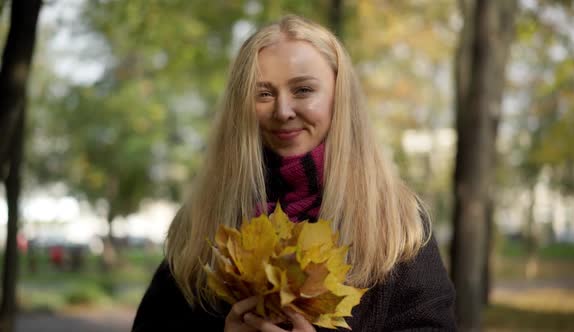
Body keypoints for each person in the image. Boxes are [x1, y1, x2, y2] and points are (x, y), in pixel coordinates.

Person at [132, 15, 456, 332]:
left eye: (303, 90)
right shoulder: (202, 220)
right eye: (264, 94)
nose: (283, 111)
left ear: (338, 99)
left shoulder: (398, 222)